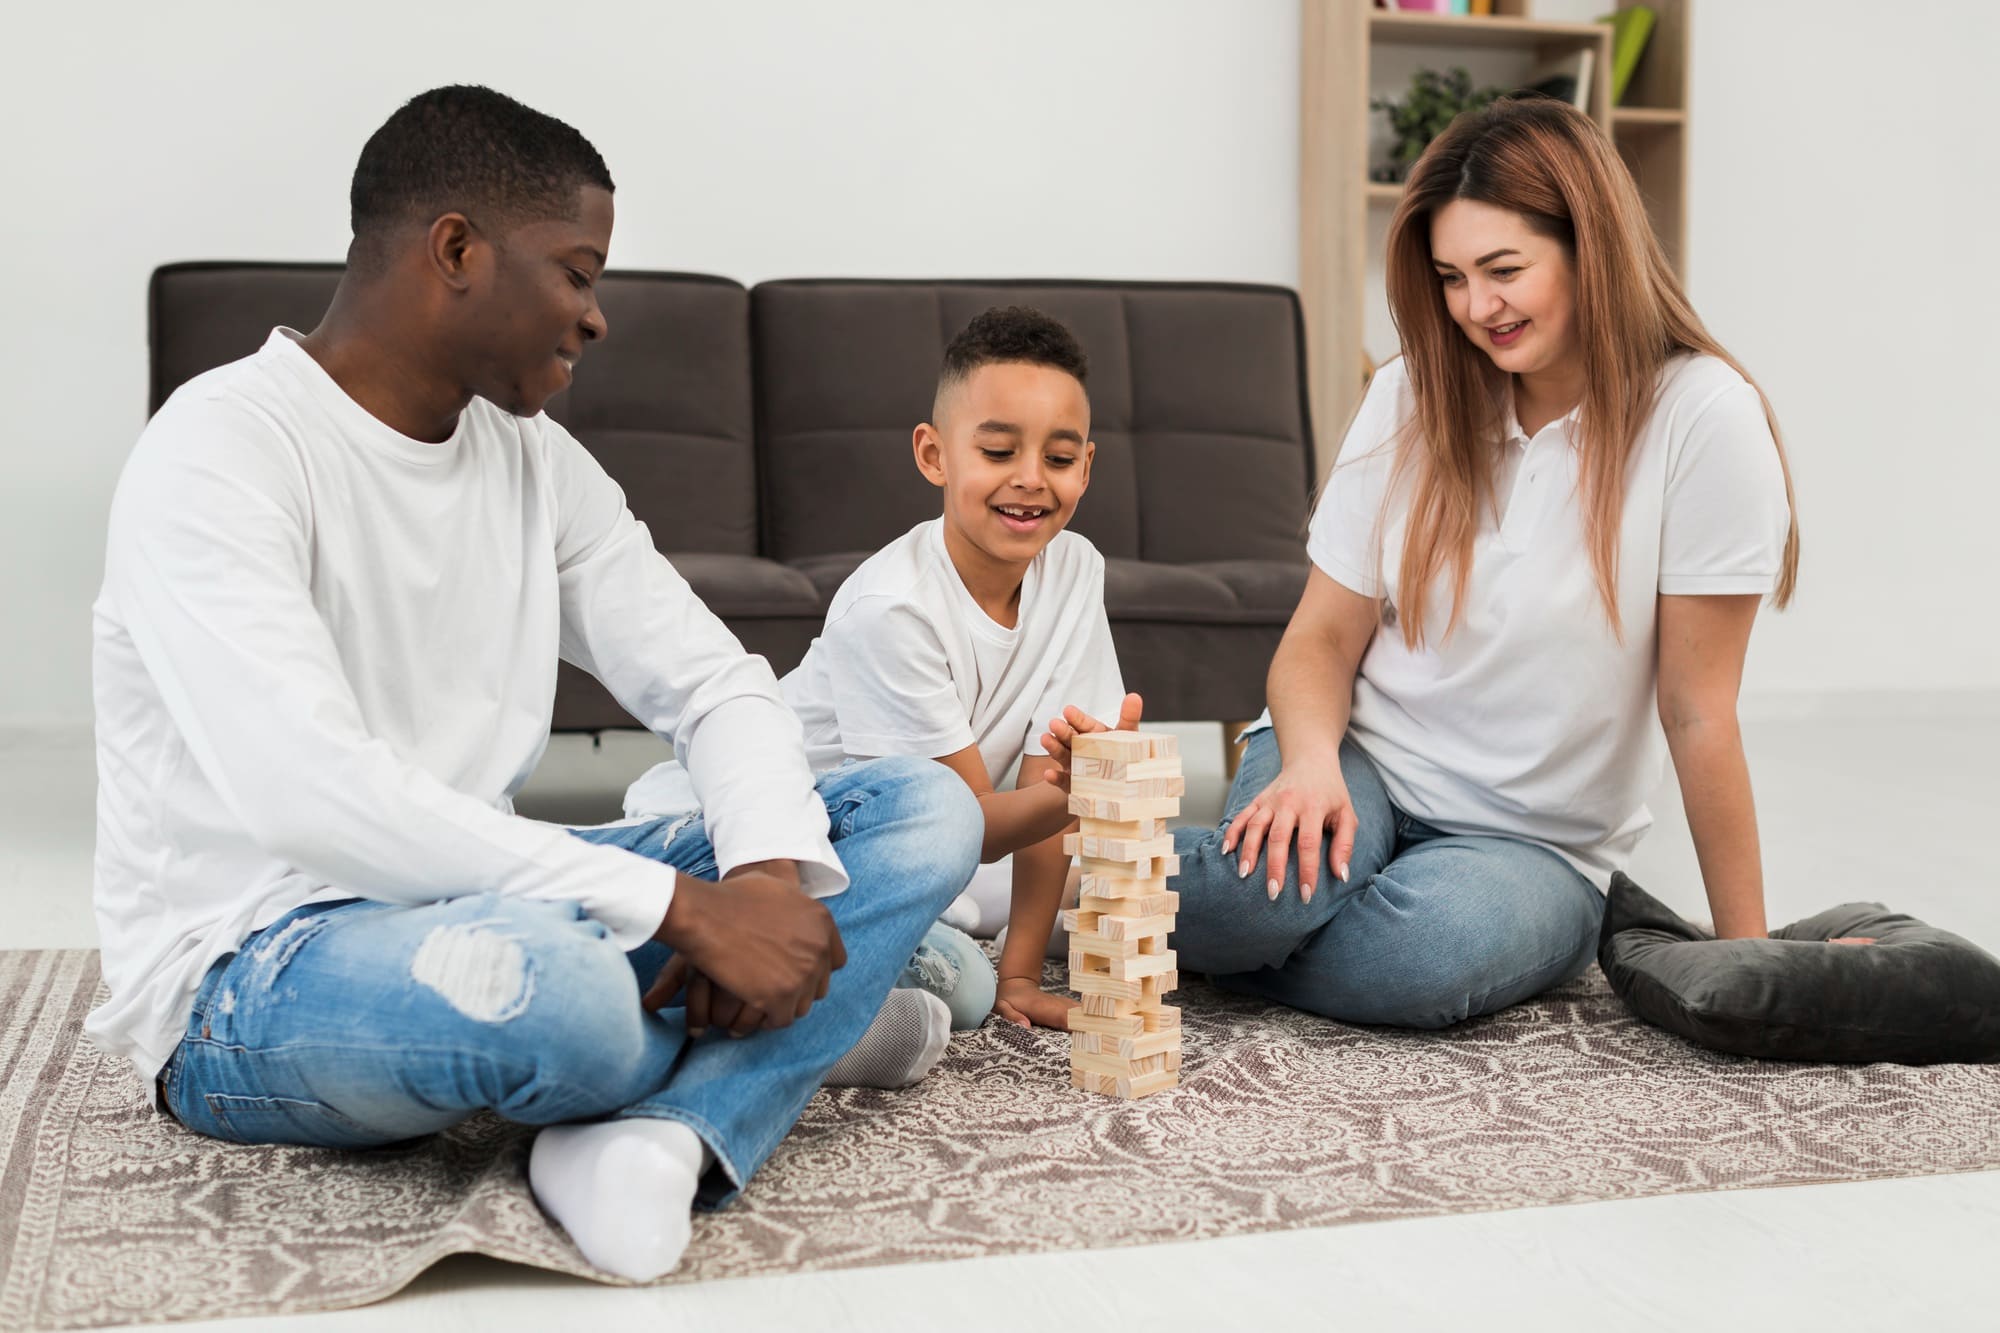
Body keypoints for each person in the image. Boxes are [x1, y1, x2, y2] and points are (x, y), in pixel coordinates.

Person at [87, 84, 981, 1284]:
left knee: (925, 807)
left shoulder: (530, 459)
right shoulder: (220, 451)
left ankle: (665, 1131)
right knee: (564, 996)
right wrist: (682, 914)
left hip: (491, 898)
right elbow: (314, 797)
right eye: (576, 271)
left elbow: (715, 681)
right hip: (253, 971)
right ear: (455, 249)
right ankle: (815, 1017)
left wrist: (763, 876)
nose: (595, 316)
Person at [1144, 96, 1800, 1028]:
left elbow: (1699, 711)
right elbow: (1322, 639)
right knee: (1265, 897)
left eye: (1504, 270)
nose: (1475, 308)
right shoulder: (1414, 391)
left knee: (1419, 961)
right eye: (1452, 277)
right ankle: (1058, 885)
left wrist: (1750, 960)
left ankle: (1133, 909)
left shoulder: (1704, 419)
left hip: (1537, 844)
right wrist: (1309, 764)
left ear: (1592, 247)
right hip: (1355, 756)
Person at [628, 306, 1132, 1057]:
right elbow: (976, 823)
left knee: (1076, 902)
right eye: (998, 450)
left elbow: (1042, 785)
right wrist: (1074, 794)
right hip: (745, 840)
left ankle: (842, 990)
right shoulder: (892, 606)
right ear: (934, 454)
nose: (1030, 480)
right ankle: (795, 1029)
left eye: (1059, 460)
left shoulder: (1076, 571)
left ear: (1086, 468)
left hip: (902, 848)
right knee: (963, 983)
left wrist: (1024, 975)